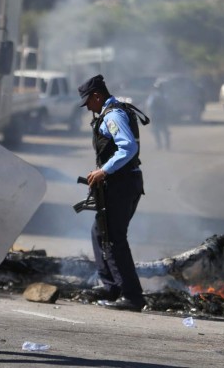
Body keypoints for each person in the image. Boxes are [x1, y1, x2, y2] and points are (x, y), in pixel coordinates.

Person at [78, 74, 148, 313]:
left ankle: (132, 295)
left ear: (97, 96)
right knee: (99, 232)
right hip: (123, 182)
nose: (87, 107)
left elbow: (128, 147)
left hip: (121, 184)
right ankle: (111, 286)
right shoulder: (112, 112)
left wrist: (104, 171)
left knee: (114, 238)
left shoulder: (113, 115)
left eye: (88, 101)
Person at [145, 82, 171, 150]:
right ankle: (166, 145)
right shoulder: (164, 96)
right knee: (163, 130)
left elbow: (149, 106)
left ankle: (160, 145)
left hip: (157, 115)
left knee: (157, 130)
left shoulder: (154, 96)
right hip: (161, 115)